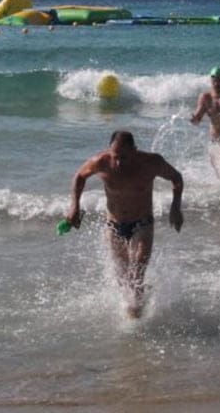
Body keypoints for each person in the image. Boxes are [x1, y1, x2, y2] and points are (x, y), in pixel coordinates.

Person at [58, 130, 183, 318]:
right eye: (116, 156)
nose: (119, 162)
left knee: (137, 274)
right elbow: (79, 177)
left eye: (124, 157)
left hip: (142, 224)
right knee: (124, 280)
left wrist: (175, 207)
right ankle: (139, 303)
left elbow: (176, 178)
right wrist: (74, 207)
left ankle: (135, 323)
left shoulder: (151, 163)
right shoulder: (101, 162)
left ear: (135, 150)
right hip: (114, 225)